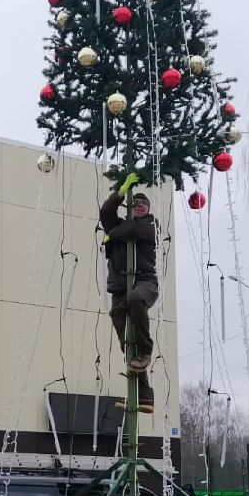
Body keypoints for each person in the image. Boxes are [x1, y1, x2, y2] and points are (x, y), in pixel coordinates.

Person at [99, 171, 158, 414]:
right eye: (136, 203)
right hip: (119, 291)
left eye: (144, 204)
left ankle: (146, 351)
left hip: (144, 284)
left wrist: (112, 235)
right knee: (126, 338)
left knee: (136, 299)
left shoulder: (151, 225)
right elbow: (105, 213)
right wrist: (121, 192)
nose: (140, 206)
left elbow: (138, 231)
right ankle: (143, 395)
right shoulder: (120, 223)